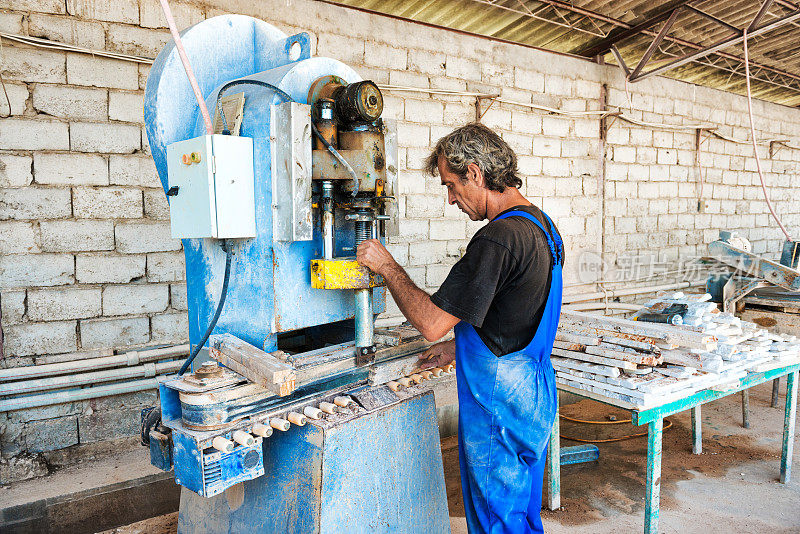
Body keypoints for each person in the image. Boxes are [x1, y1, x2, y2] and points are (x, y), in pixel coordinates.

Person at [357, 122, 563, 534]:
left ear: (474, 173)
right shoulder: (542, 226)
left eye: (451, 185)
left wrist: (386, 266)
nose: (451, 199)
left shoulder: (497, 240)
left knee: (496, 523)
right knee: (519, 514)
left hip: (498, 408)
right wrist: (462, 346)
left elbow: (432, 324)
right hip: (534, 395)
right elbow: (517, 312)